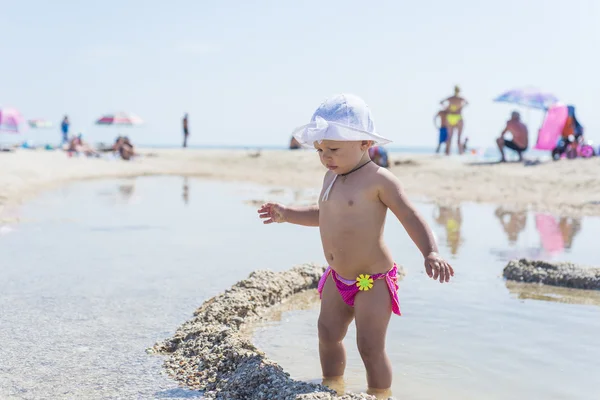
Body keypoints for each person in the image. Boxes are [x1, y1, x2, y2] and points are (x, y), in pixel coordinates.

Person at [256, 94, 454, 396]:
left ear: (364, 143)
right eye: (320, 149)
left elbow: (410, 215)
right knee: (327, 334)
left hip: (372, 280)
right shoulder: (330, 178)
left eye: (333, 149)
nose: (325, 156)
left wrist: (431, 251)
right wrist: (287, 214)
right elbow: (322, 214)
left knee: (370, 346)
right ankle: (331, 386)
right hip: (338, 277)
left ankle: (379, 393)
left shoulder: (380, 180)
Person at [440, 86, 468, 155]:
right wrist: (460, 107)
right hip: (457, 116)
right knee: (459, 136)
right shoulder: (460, 98)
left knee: (449, 136)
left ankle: (447, 152)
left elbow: (441, 102)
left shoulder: (450, 98)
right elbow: (467, 103)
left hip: (450, 116)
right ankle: (461, 153)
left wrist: (447, 108)